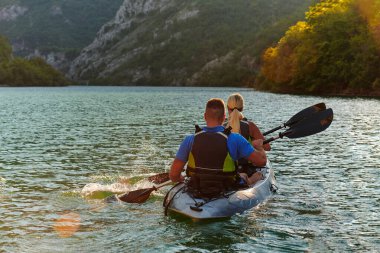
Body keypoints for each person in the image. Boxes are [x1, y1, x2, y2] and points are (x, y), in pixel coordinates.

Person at [169, 98, 266, 197]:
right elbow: (261, 161)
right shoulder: (236, 139)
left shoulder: (190, 139)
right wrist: (259, 147)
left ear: (205, 116)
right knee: (245, 175)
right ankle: (252, 179)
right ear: (224, 117)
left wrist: (180, 179)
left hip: (196, 186)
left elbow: (173, 175)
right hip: (227, 187)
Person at [225, 93, 270, 184]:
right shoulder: (250, 126)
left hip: (227, 169)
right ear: (242, 108)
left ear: (227, 108)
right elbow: (267, 147)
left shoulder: (222, 126)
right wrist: (255, 144)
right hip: (246, 170)